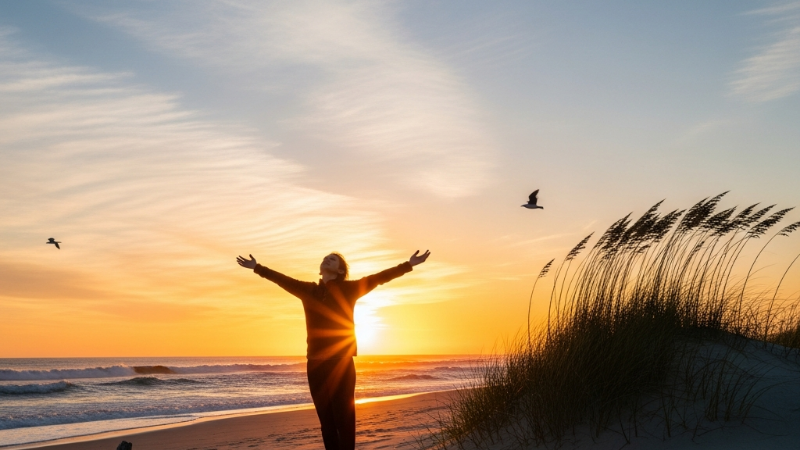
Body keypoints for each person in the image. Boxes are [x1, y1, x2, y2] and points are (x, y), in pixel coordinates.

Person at [236, 249, 430, 450]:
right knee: (326, 423)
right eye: (325, 258)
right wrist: (257, 268)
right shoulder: (308, 290)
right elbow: (281, 279)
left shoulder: (349, 289)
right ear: (321, 270)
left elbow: (379, 278)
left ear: (339, 271)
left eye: (333, 259)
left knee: (344, 421)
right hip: (315, 363)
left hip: (342, 362)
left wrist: (409, 264)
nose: (327, 260)